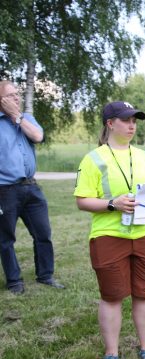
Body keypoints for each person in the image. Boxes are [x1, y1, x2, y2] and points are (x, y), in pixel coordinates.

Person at [74, 101, 145, 359]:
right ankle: (111, 354)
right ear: (110, 123)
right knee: (112, 296)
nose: (132, 125)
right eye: (126, 120)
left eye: (135, 120)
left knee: (144, 294)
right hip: (109, 235)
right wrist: (112, 204)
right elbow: (82, 200)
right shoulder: (93, 158)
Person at [0, 80, 64, 295]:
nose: (16, 98)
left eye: (17, 94)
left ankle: (45, 275)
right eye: (10, 95)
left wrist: (16, 117)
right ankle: (14, 281)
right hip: (4, 190)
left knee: (43, 233)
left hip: (32, 188)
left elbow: (37, 136)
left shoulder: (26, 118)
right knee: (6, 238)